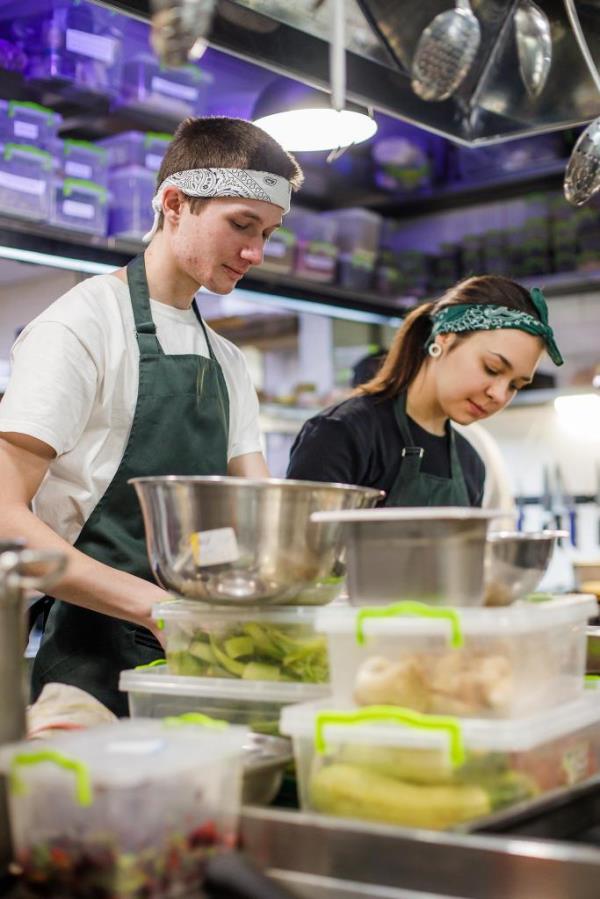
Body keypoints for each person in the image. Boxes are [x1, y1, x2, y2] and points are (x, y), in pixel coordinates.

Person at [0, 116, 303, 716]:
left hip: (199, 658)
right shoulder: (80, 326)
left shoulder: (228, 361)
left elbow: (257, 515)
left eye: (268, 233)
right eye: (241, 225)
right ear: (173, 203)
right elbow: (6, 521)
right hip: (88, 656)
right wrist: (157, 608)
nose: (255, 252)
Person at [287, 275, 563, 507]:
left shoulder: (470, 464)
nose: (500, 395)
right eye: (491, 368)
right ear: (444, 339)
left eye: (515, 385)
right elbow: (302, 562)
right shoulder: (342, 433)